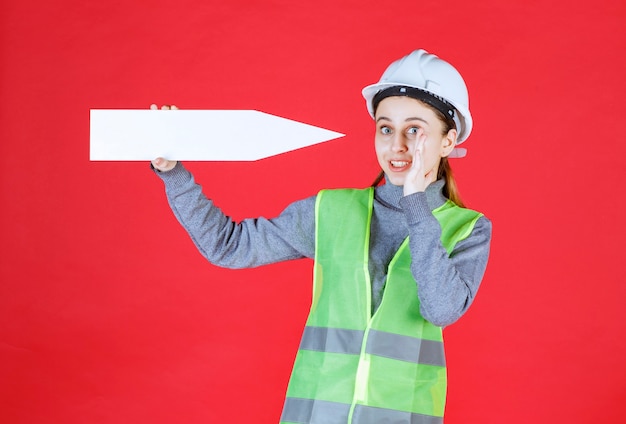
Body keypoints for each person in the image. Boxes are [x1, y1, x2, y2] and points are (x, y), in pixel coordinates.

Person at [151, 49, 492, 424]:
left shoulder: (467, 228)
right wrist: (174, 173)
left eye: (415, 130)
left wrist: (415, 204)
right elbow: (228, 247)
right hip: (315, 414)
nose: (397, 145)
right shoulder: (330, 211)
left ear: (448, 141)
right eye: (385, 128)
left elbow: (441, 309)